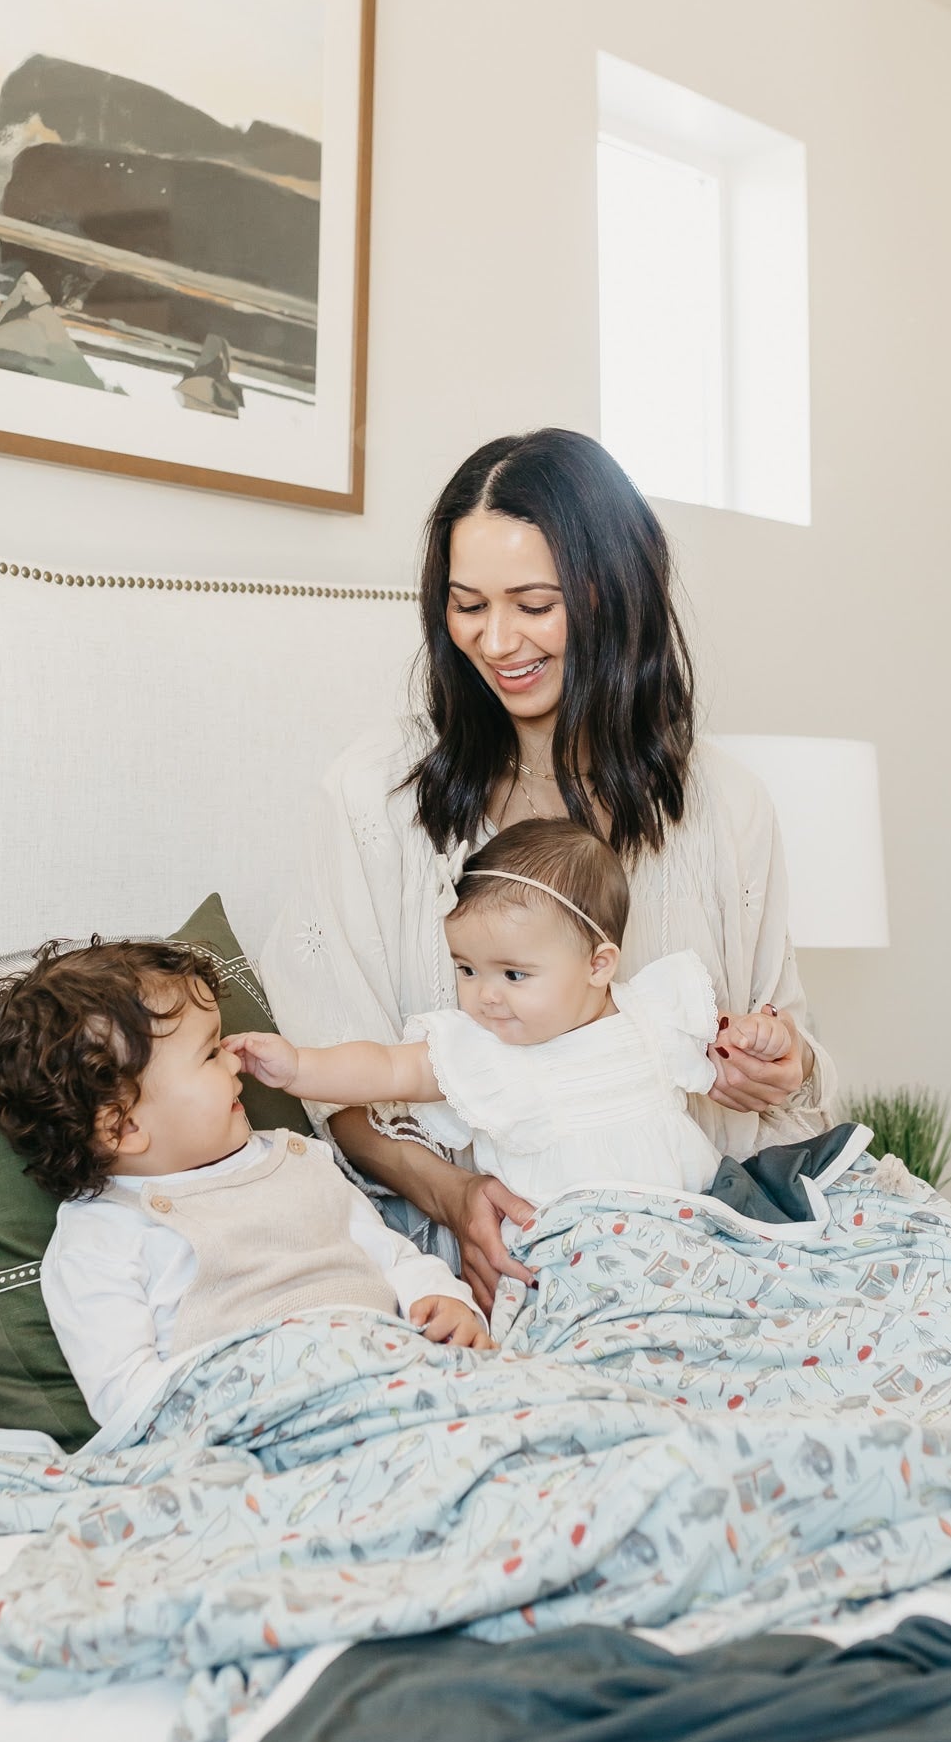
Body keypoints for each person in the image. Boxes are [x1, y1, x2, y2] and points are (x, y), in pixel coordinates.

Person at [259, 429, 837, 1312]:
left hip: (712, 1240)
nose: (495, 641)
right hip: (496, 1262)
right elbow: (337, 1094)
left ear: (614, 595)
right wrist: (452, 1195)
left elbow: (788, 1056)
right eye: (466, 605)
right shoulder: (373, 797)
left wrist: (777, 1065)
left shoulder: (723, 805)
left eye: (534, 604)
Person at [0, 937, 491, 1429]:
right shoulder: (102, 1236)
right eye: (208, 1055)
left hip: (397, 1378)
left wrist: (446, 1302)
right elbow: (126, 1397)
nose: (234, 1061)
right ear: (124, 1127)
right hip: (264, 1424)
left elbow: (392, 1258)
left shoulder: (297, 1158)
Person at [236, 818, 791, 1213]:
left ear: (598, 965)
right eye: (467, 969)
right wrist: (300, 1067)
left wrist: (760, 1035)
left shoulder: (650, 1014)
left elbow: (732, 1041)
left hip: (694, 1222)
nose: (485, 996)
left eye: (514, 974)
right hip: (574, 1246)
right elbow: (385, 1067)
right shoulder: (484, 1050)